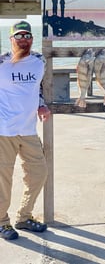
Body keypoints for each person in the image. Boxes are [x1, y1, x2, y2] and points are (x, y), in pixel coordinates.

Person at [0, 20, 51, 240]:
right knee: (3, 180)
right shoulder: (1, 61)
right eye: (19, 36)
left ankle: (23, 217)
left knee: (39, 173)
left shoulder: (39, 61)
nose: (24, 40)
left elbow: (37, 87)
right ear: (11, 39)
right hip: (4, 131)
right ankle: (2, 222)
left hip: (29, 129)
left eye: (27, 36)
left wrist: (41, 103)